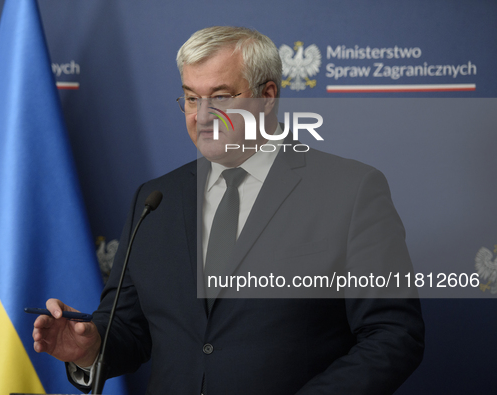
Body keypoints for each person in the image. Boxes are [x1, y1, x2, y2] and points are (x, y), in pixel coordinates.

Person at [32, 26, 424, 394]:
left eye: (220, 97)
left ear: (267, 96)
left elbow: (392, 334)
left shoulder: (349, 190)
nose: (202, 117)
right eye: (190, 97)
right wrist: (88, 348)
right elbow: (131, 330)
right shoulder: (155, 199)